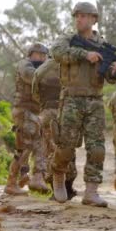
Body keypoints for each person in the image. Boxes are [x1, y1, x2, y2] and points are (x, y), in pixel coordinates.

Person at [50, 2, 116, 206]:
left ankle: (91, 192)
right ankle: (58, 174)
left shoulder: (103, 45)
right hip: (71, 99)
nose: (79, 19)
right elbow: (56, 52)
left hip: (95, 100)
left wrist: (115, 73)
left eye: (83, 16)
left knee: (97, 148)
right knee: (65, 146)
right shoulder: (67, 39)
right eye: (77, 16)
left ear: (93, 19)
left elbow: (108, 77)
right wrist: (85, 55)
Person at [4, 43, 51, 195]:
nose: (42, 58)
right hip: (24, 111)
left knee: (29, 146)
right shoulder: (25, 65)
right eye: (39, 54)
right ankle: (14, 182)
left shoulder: (42, 69)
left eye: (44, 55)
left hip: (34, 113)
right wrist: (47, 68)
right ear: (31, 54)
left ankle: (22, 177)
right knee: (27, 145)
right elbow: (30, 76)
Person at [32, 58, 79, 200]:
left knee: (50, 149)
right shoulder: (70, 67)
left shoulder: (41, 70)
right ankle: (69, 187)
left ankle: (56, 189)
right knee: (68, 147)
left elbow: (35, 93)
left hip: (47, 112)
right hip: (67, 111)